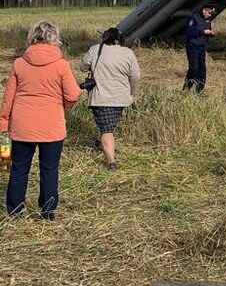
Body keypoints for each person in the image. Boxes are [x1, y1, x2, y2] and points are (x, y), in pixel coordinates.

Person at [0, 21, 80, 220]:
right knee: (49, 170)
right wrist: (62, 104)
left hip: (22, 126)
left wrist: (4, 122)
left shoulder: (19, 63)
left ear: (32, 37)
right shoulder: (61, 65)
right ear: (54, 38)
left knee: (18, 170)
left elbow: (8, 99)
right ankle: (47, 212)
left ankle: (15, 212)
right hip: (51, 126)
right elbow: (73, 94)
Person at [80, 27, 141, 169]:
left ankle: (111, 162)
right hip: (121, 97)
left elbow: (83, 66)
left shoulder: (95, 49)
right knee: (109, 126)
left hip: (101, 97)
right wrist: (131, 91)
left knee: (106, 129)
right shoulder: (128, 53)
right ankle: (104, 144)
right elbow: (136, 75)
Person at [183, 4, 217, 94]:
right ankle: (186, 89)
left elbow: (207, 33)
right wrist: (202, 32)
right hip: (192, 47)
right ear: (204, 10)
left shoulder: (208, 21)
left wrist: (211, 33)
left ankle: (199, 92)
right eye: (209, 12)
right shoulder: (194, 18)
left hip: (202, 47)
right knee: (194, 69)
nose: (210, 15)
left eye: (211, 13)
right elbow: (189, 32)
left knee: (202, 70)